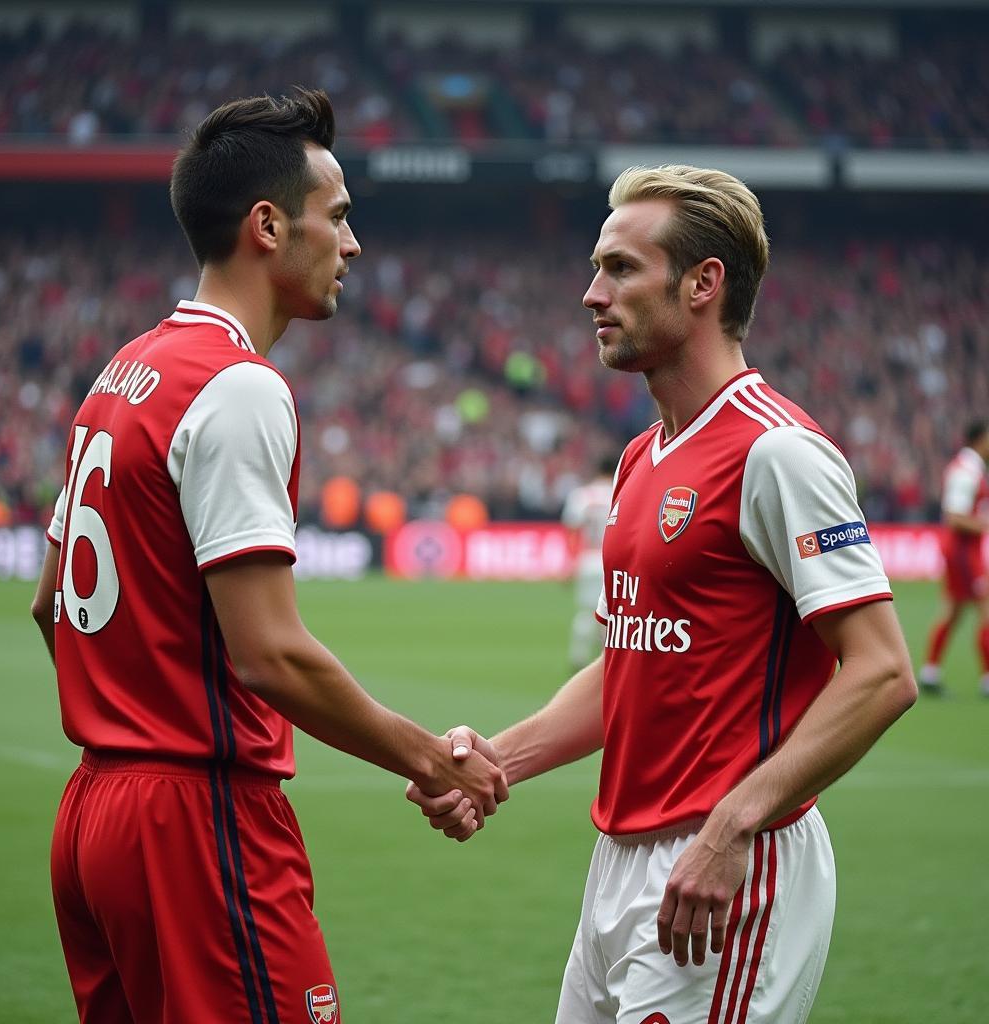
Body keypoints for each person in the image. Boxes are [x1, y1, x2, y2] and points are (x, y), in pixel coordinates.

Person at [29, 89, 506, 1024]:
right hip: (194, 823)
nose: (353, 245)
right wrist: (427, 758)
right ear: (266, 225)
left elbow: (53, 604)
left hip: (94, 812)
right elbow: (269, 654)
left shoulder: (123, 372)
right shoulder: (238, 387)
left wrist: (129, 718)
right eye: (338, 217)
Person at [409, 164, 917, 1024]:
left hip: (728, 865)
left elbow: (881, 673)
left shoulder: (777, 452)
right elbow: (632, 664)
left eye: (619, 268)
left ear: (702, 284)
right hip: (620, 862)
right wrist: (501, 761)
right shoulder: (642, 460)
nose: (589, 294)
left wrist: (732, 828)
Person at [918, 421, 989, 697]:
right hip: (963, 552)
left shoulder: (971, 468)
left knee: (954, 612)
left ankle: (930, 672)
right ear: (978, 440)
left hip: (963, 551)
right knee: (984, 610)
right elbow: (955, 517)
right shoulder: (966, 471)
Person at [561, 454, 617, 667]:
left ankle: (578, 657)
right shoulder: (620, 490)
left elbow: (573, 531)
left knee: (586, 611)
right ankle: (607, 659)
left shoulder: (581, 495)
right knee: (611, 613)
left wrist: (571, 563)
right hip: (610, 559)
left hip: (587, 558)